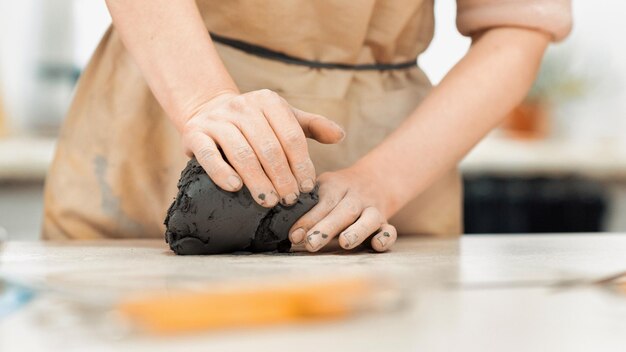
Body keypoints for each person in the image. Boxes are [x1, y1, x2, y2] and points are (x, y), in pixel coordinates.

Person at [43, 0, 572, 252]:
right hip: (165, 97)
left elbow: (516, 28)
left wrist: (384, 179)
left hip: (396, 150)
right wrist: (205, 98)